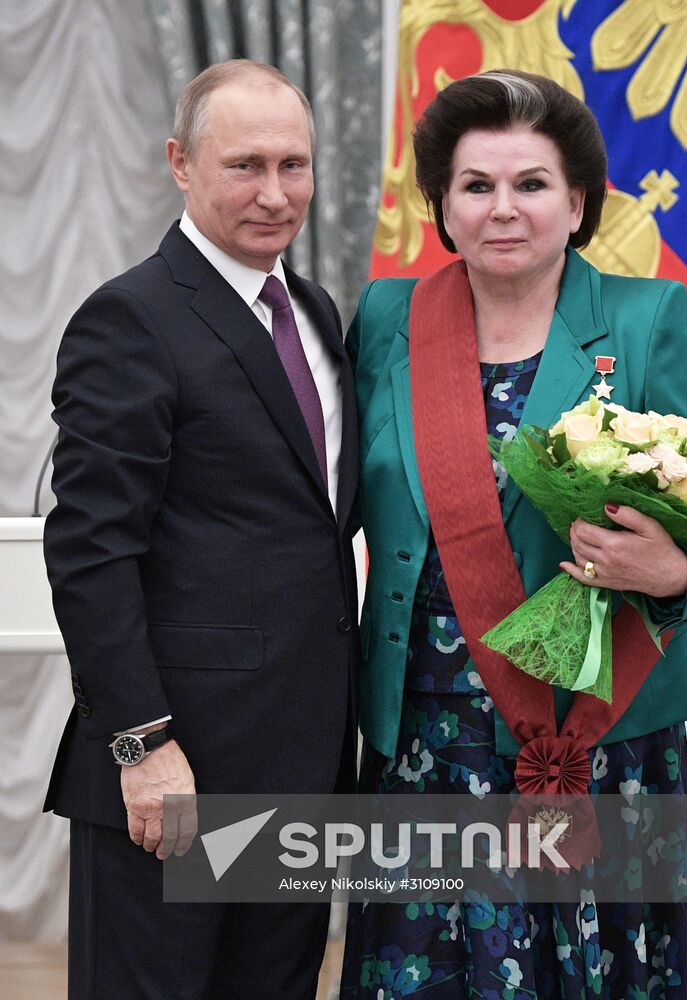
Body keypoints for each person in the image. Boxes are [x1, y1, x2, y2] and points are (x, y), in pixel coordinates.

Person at [339, 70, 687, 998]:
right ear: (442, 204)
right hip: (430, 736)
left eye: (530, 184)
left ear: (577, 202)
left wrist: (674, 567)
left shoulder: (647, 322)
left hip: (597, 736)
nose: (502, 209)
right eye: (475, 186)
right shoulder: (386, 320)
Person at [43, 59, 359, 1000]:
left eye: (294, 166)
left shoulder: (315, 311)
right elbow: (92, 550)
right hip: (178, 778)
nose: (275, 194)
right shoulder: (129, 318)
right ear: (181, 164)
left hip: (298, 770)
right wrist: (143, 747)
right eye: (244, 166)